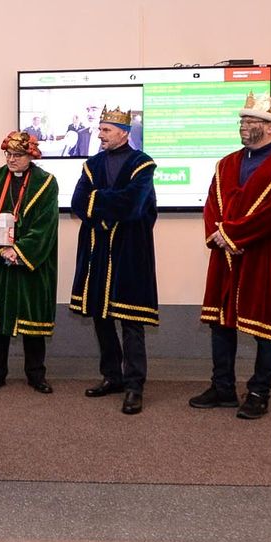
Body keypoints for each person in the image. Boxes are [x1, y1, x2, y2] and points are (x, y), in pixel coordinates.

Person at [191, 94, 271, 420]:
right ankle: (223, 387)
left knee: (266, 326)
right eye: (242, 121)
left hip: (268, 255)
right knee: (220, 323)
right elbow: (212, 205)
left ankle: (259, 392)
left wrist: (232, 235)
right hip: (227, 256)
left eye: (250, 121)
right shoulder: (227, 163)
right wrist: (220, 236)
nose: (243, 127)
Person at [69, 106, 159, 415]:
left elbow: (134, 205)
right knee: (100, 317)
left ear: (123, 132)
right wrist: (105, 207)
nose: (99, 134)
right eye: (100, 129)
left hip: (130, 251)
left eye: (106, 130)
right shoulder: (92, 164)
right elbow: (77, 202)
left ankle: (135, 385)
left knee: (131, 322)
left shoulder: (142, 164)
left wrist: (98, 205)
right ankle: (112, 376)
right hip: (97, 250)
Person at [0, 130, 60, 394]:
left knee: (31, 320)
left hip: (29, 262)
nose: (11, 160)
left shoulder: (46, 182)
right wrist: (0, 249)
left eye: (17, 155)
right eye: (8, 154)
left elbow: (46, 225)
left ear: (30, 156)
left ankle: (36, 374)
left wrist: (19, 251)